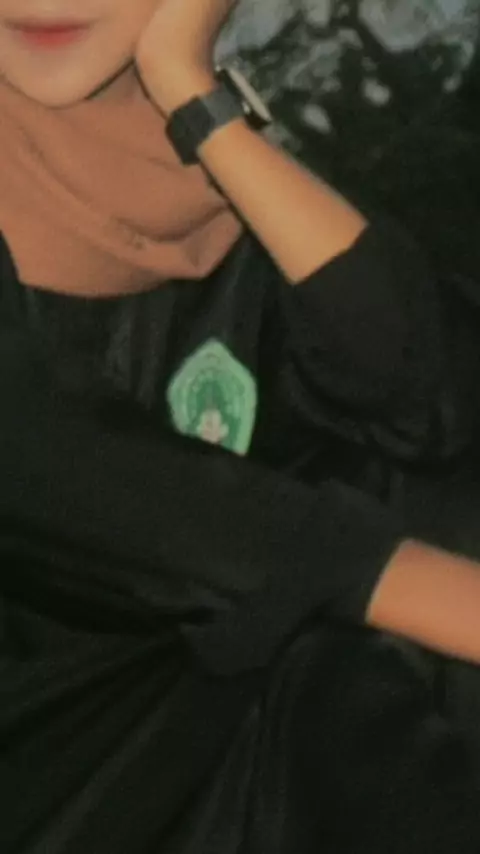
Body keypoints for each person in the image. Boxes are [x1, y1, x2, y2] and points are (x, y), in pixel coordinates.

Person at [1, 1, 480, 851]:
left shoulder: (191, 176)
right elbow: (78, 475)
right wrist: (436, 596)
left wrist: (195, 97)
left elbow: (424, 400)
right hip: (66, 762)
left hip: (240, 721)